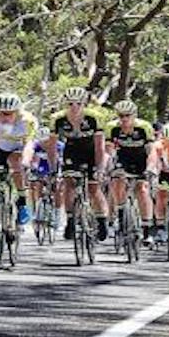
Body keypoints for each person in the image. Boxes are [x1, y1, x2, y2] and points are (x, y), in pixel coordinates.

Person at [0, 92, 39, 261]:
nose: (4, 117)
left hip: (18, 150)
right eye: (1, 113)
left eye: (8, 113)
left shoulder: (27, 120)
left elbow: (29, 145)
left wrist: (25, 163)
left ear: (17, 112)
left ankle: (22, 200)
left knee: (16, 162)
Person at [48, 87, 109, 241]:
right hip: (72, 150)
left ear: (85, 104)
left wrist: (100, 168)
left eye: (78, 104)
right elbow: (52, 147)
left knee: (94, 188)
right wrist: (53, 169)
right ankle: (70, 220)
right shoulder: (57, 119)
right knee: (69, 184)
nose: (74, 107)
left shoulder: (94, 117)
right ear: (65, 104)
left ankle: (102, 221)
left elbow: (100, 146)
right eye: (70, 104)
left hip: (91, 151)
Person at [105, 100, 157, 246]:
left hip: (141, 158)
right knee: (116, 182)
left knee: (142, 189)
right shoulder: (112, 127)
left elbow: (151, 151)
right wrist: (107, 167)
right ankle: (121, 217)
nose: (124, 119)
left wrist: (151, 167)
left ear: (134, 115)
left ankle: (147, 230)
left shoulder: (144, 127)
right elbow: (109, 151)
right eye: (121, 116)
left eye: (127, 115)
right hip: (123, 158)